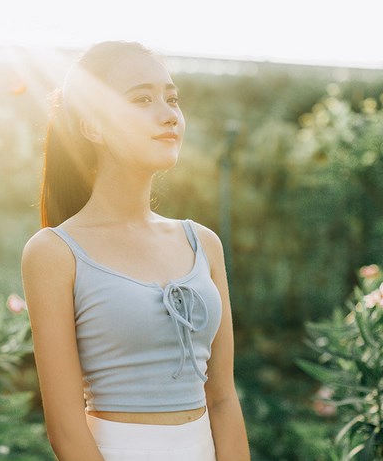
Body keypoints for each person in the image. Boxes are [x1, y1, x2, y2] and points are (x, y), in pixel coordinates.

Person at [21, 41, 250, 461]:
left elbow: (222, 400)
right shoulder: (55, 253)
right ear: (92, 126)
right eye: (142, 99)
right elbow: (65, 428)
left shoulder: (204, 243)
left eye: (172, 98)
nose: (169, 114)